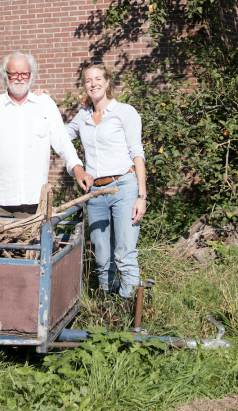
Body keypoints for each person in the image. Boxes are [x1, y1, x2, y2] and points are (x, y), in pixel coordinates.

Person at [0, 52, 94, 219]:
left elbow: (63, 143)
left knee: (34, 245)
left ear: (31, 76)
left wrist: (78, 170)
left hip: (34, 202)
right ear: (5, 76)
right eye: (14, 74)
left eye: (24, 73)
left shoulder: (45, 104)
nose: (19, 78)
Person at [66, 62, 147, 299]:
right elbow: (59, 138)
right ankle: (108, 306)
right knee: (101, 254)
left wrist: (142, 196)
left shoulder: (125, 112)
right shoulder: (82, 117)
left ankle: (131, 308)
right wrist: (42, 104)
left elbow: (137, 154)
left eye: (98, 79)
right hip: (95, 194)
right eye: (88, 80)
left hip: (124, 186)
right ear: (85, 86)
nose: (94, 84)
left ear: (107, 82)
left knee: (124, 252)